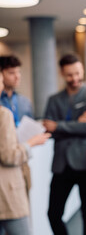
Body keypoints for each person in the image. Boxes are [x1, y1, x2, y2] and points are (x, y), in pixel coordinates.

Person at [43, 54, 86, 235]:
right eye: (69, 75)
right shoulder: (54, 99)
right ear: (62, 73)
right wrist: (77, 123)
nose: (75, 79)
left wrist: (59, 125)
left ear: (82, 69)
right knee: (53, 213)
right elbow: (48, 128)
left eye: (77, 73)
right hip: (62, 164)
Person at [0, 70, 50, 235]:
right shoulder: (3, 115)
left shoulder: (23, 102)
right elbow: (9, 155)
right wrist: (31, 143)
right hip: (8, 191)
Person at [0, 55, 34, 198]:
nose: (17, 77)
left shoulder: (24, 101)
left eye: (18, 72)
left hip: (21, 159)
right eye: (11, 73)